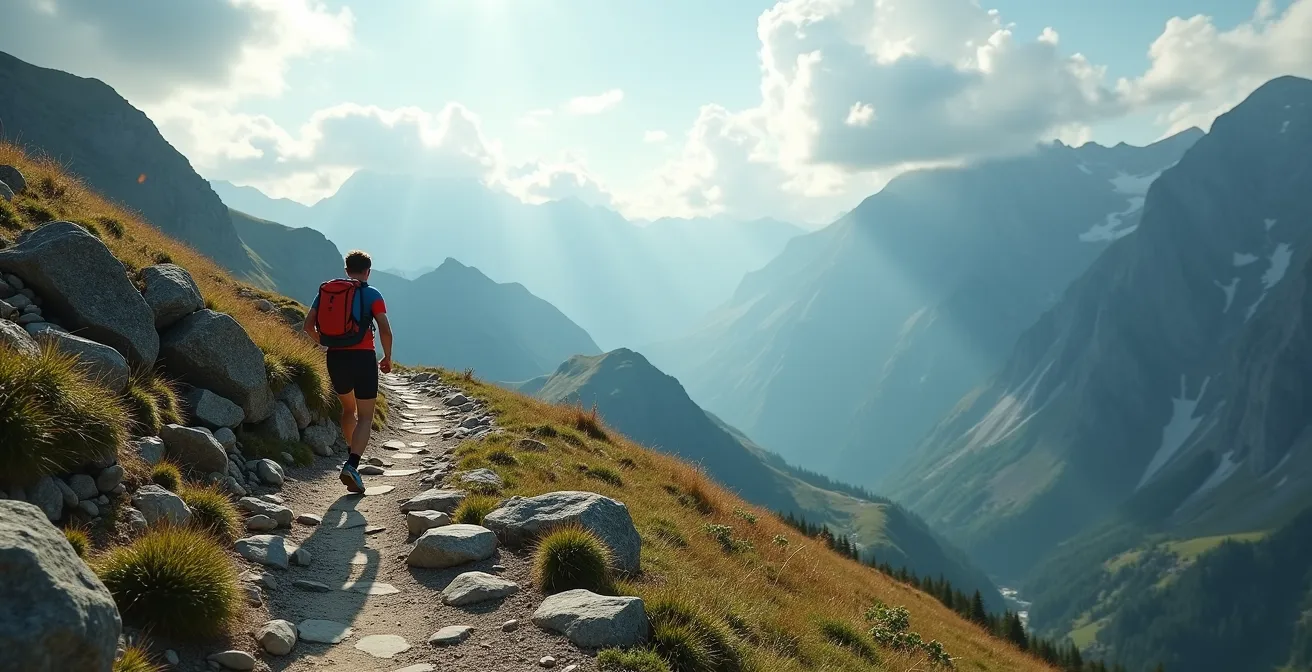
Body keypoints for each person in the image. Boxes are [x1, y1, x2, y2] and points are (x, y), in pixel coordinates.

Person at [303, 250, 393, 494]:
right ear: (368, 272)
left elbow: (307, 325)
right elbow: (384, 328)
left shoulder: (328, 292)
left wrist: (325, 341)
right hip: (363, 358)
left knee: (348, 410)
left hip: (336, 357)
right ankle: (353, 463)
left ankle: (351, 456)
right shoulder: (372, 294)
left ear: (346, 270)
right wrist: (387, 357)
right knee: (365, 416)